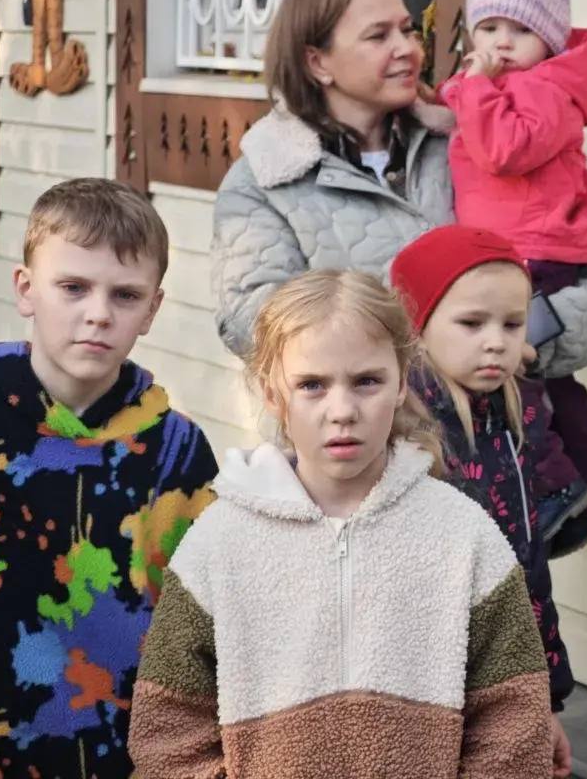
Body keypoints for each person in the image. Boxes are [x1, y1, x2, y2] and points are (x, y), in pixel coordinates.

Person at [129, 269, 551, 778]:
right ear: (271, 394)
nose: (343, 410)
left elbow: (515, 721)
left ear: (401, 382)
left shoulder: (463, 535)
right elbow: (168, 730)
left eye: (367, 381)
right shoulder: (219, 544)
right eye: (312, 385)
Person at [209, 0, 587, 418]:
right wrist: (401, 361)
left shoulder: (474, 137)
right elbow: (252, 320)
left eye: (408, 30)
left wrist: (515, 338)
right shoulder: (266, 180)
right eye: (378, 36)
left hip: (512, 438)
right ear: (318, 62)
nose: (407, 48)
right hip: (361, 446)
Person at [0, 178, 217, 779]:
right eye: (73, 287)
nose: (99, 314)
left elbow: (204, 627)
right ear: (26, 289)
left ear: (152, 309)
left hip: (119, 757)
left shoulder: (177, 451)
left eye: (125, 295)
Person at [417, 0, 587, 546]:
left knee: (516, 372)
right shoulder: (509, 87)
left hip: (537, 249)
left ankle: (559, 486)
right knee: (547, 381)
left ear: (549, 40)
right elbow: (466, 124)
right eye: (489, 27)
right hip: (515, 244)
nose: (501, 42)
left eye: (521, 30)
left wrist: (475, 86)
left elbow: (504, 149)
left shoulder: (549, 91)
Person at [391, 226, 579, 778]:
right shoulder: (399, 427)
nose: (496, 341)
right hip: (423, 687)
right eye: (472, 323)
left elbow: (530, 570)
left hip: (509, 667)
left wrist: (548, 698)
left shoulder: (519, 413)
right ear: (417, 323)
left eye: (511, 324)